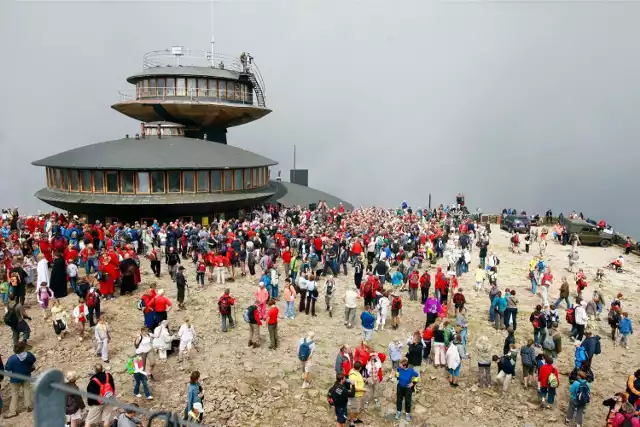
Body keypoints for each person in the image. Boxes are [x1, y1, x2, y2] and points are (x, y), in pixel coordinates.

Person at [3, 343, 36, 419]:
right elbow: (33, 360)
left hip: (15, 379)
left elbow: (7, 368)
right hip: (26, 376)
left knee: (15, 394)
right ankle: (28, 406)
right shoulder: (29, 355)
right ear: (23, 349)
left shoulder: (12, 359)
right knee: (27, 390)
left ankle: (13, 411)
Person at [395, 357, 419, 423]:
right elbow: (397, 372)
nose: (399, 365)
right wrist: (397, 376)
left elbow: (417, 376)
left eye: (400, 365)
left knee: (408, 401)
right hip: (400, 387)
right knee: (399, 399)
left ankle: (407, 414)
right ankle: (398, 411)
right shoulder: (399, 369)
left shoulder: (410, 371)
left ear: (405, 365)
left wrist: (413, 383)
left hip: (408, 388)